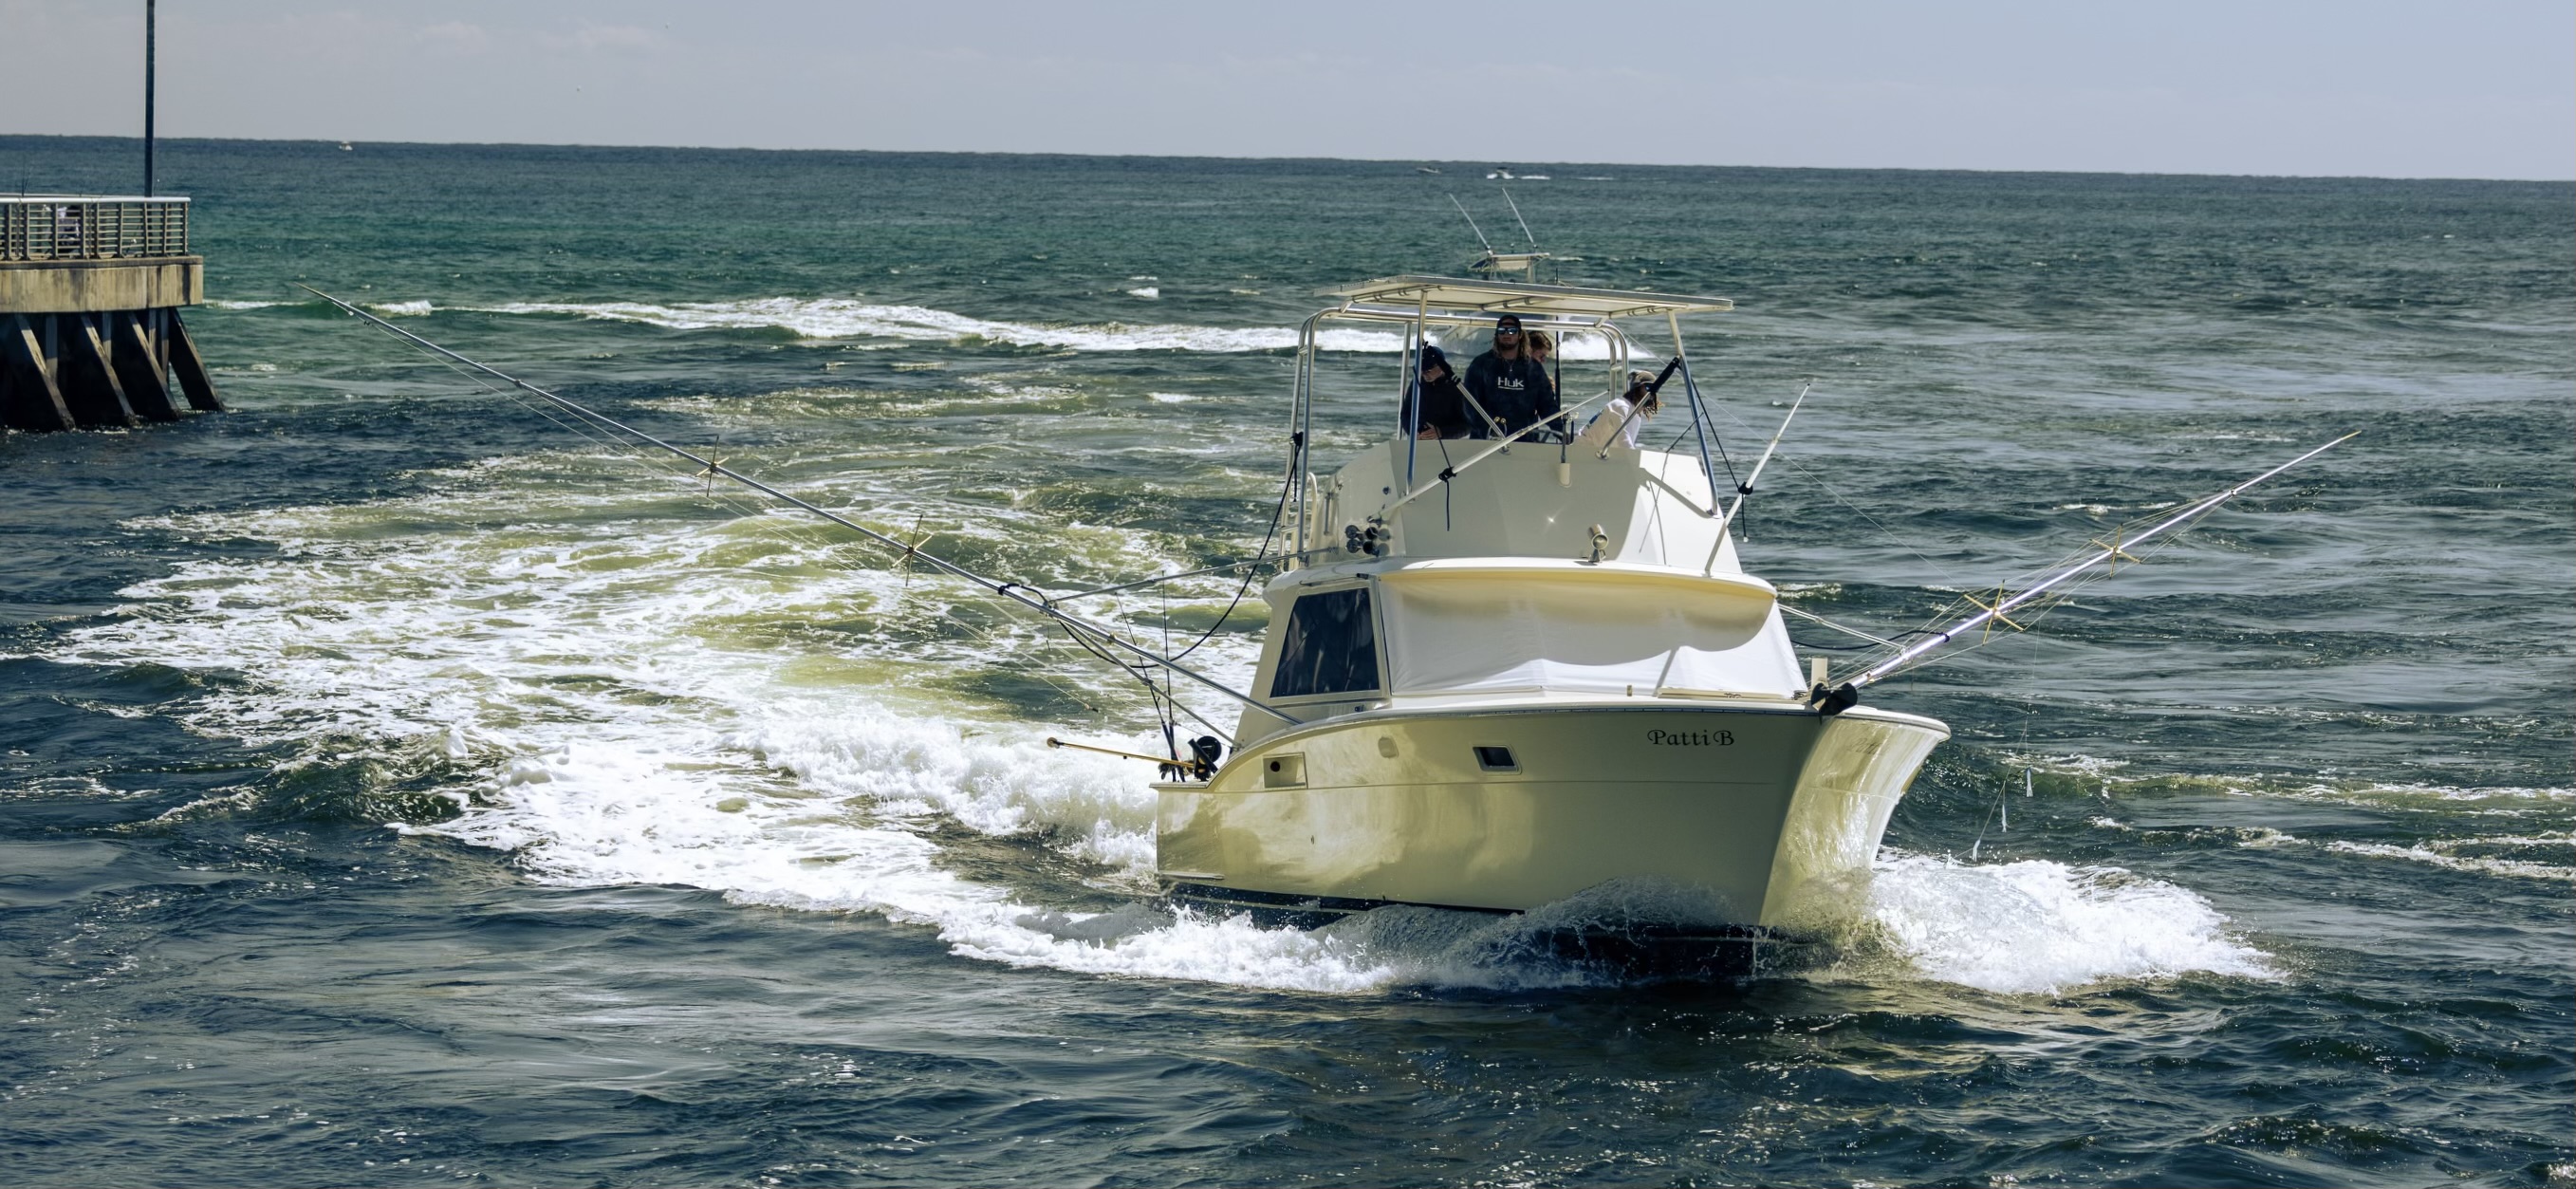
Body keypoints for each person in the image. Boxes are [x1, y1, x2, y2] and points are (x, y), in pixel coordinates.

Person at [1464, 313, 1559, 439]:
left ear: (1520, 335)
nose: (1507, 334)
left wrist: (1562, 432)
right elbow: (1469, 403)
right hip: (1486, 441)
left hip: (1525, 442)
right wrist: (1485, 428)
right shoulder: (1481, 364)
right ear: (1497, 335)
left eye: (1512, 331)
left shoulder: (1534, 368)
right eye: (1502, 331)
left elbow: (1547, 406)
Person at [1399, 344, 1475, 439]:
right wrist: (1412, 431)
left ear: (1441, 366)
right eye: (1420, 370)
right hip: (1418, 441)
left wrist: (1441, 432)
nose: (1423, 374)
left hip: (1447, 444)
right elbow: (1405, 414)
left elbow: (1468, 425)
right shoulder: (1417, 383)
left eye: (1428, 370)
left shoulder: (1457, 389)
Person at [1576, 370, 1661, 454]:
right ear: (1636, 389)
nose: (1652, 393)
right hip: (1582, 453)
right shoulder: (1621, 407)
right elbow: (1624, 443)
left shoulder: (1635, 414)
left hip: (1597, 455)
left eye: (1655, 389)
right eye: (1648, 388)